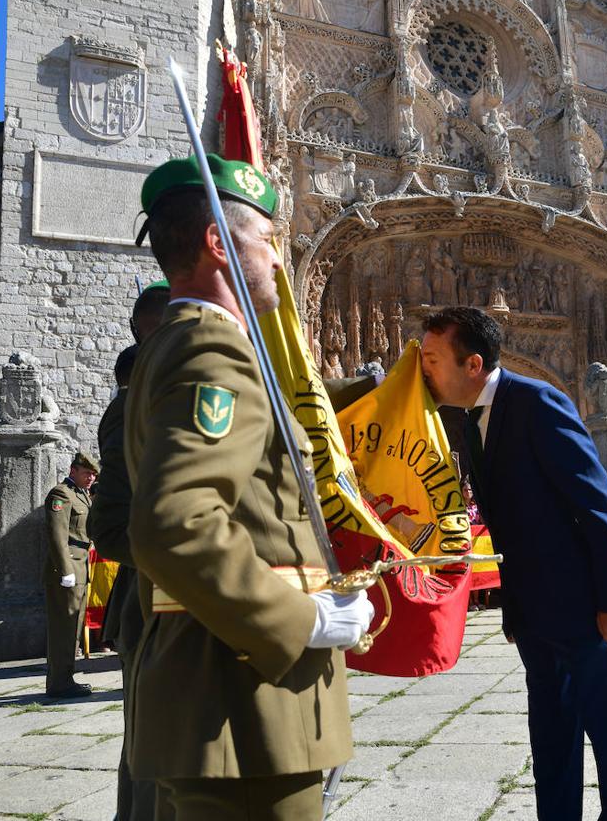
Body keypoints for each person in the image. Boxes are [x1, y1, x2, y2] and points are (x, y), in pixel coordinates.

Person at [124, 154, 373, 820]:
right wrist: (304, 619)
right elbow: (176, 524)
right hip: (242, 707)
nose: (278, 259)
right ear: (217, 244)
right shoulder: (212, 349)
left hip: (229, 700)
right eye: (266, 239)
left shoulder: (181, 343)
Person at [420, 306, 607, 821]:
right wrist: (513, 610)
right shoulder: (472, 418)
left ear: (471, 364)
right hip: (536, 616)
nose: (424, 369)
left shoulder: (537, 401)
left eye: (432, 359)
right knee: (550, 736)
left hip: (588, 611)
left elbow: (597, 503)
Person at [86, 281, 170, 821]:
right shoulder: (132, 403)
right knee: (153, 755)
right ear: (148, 330)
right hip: (154, 604)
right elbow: (111, 523)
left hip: (183, 608)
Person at [43, 451, 99, 697]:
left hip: (81, 563)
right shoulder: (61, 494)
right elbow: (57, 535)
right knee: (63, 626)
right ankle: (59, 682)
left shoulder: (81, 495)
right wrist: (65, 569)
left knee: (74, 624)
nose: (90, 478)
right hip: (69, 565)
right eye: (86, 472)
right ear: (73, 470)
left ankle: (64, 678)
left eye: (93, 474)